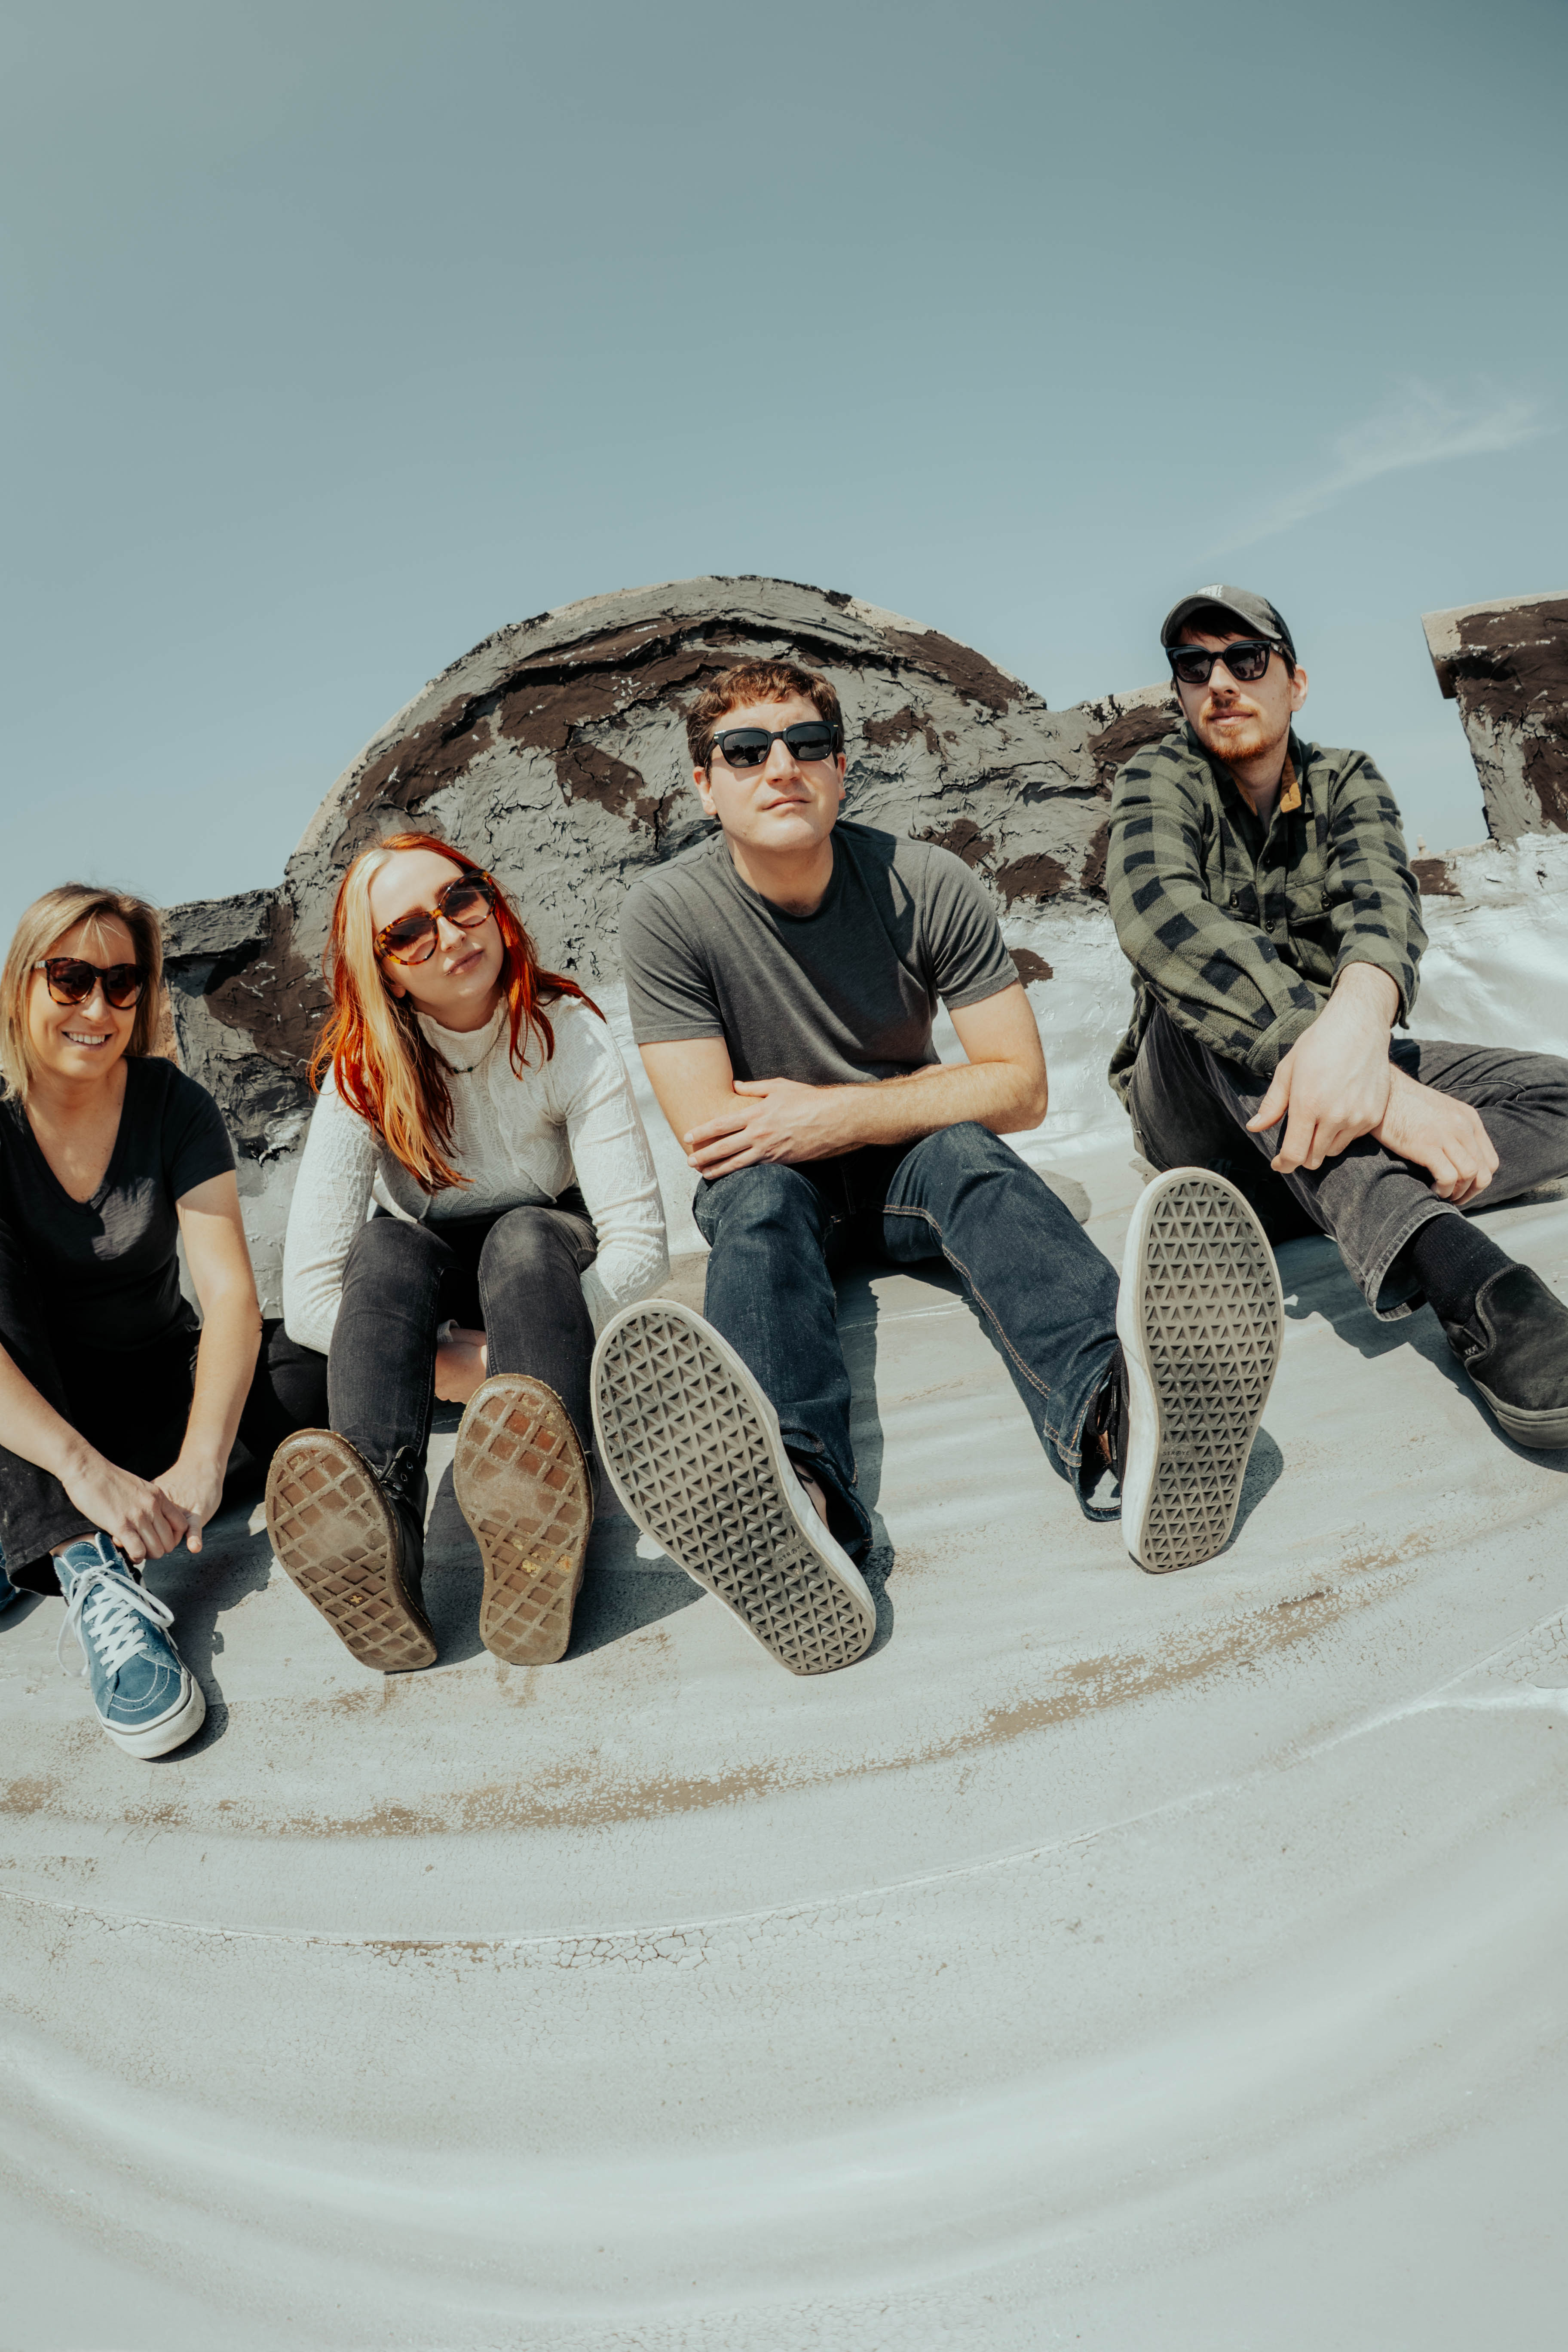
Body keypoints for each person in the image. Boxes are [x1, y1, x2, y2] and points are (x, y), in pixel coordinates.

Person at [591, 660, 1285, 1681]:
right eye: (745, 751)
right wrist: (895, 1101)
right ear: (706, 785)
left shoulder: (924, 882)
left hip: (908, 1162)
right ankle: (799, 1508)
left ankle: (1124, 1422)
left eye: (808, 745)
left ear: (841, 768)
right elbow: (712, 1132)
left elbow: (1022, 1091)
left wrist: (839, 1112)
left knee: (969, 1155)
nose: (781, 767)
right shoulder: (669, 911)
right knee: (759, 1200)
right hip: (776, 1174)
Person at [1106, 584, 1568, 1448]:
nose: (1220, 683)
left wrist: (1359, 1043)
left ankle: (1302, 1193)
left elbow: (1384, 913)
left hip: (1324, 1082)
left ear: (1296, 683)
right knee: (1224, 1003)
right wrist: (1386, 1096)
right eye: (1193, 667)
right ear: (1179, 692)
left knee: (1557, 1094)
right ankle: (1473, 1284)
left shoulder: (1347, 779)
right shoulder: (1159, 778)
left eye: (1246, 660)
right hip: (1191, 1099)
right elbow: (1160, 911)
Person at [265, 831, 668, 1674]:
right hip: (436, 1291)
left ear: (489, 900)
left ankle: (545, 1525)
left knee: (523, 1235)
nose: (450, 934)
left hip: (546, 1266)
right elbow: (308, 1299)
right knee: (383, 1246)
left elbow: (640, 1251)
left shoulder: (565, 1032)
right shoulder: (362, 1074)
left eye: (459, 900)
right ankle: (380, 1539)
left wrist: (536, 1343)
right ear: (384, 971)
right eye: (410, 933)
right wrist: (459, 1364)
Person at [0, 885, 279, 1758]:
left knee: (311, 1368)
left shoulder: (173, 1105)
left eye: (121, 984)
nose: (98, 1009)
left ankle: (40, 1542)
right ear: (22, 984)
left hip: (154, 1385)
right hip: (31, 1430)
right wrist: (84, 1473)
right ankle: (84, 1560)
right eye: (71, 979)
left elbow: (229, 1297)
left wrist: (200, 1463)